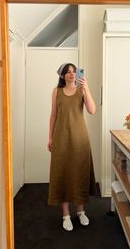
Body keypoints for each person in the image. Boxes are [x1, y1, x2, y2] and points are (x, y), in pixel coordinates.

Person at [47, 63, 97, 232]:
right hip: (61, 138)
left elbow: (92, 110)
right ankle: (66, 215)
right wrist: (50, 137)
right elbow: (53, 115)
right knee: (63, 174)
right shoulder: (56, 92)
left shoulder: (82, 90)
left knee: (80, 173)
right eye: (67, 72)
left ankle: (81, 212)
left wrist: (86, 87)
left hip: (80, 139)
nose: (71, 74)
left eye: (74, 71)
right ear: (62, 75)